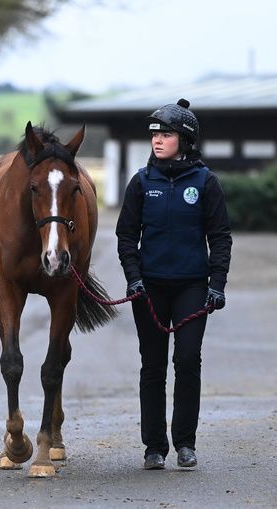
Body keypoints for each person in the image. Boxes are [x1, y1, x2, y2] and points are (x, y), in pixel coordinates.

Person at [115, 98, 232, 470]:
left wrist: (217, 283)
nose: (158, 140)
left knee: (187, 359)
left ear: (185, 138)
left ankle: (185, 442)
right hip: (148, 288)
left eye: (166, 134)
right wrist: (133, 278)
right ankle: (154, 447)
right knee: (152, 366)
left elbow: (220, 236)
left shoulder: (205, 182)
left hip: (192, 288)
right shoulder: (141, 182)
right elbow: (126, 236)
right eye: (155, 134)